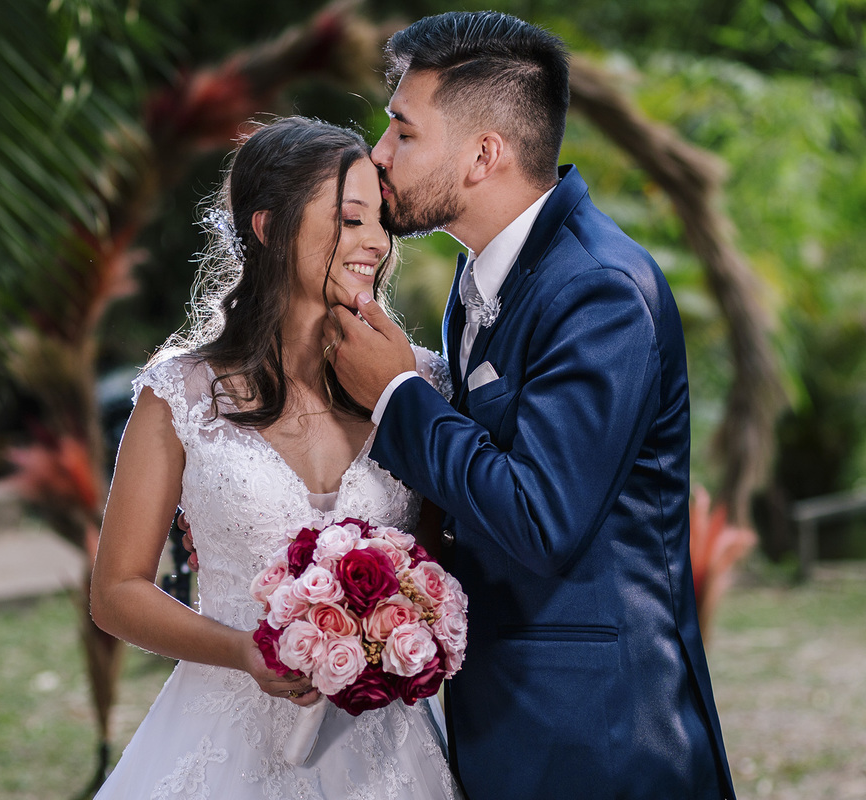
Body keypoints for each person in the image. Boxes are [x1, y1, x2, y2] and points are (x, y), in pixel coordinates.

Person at [325, 12, 737, 800]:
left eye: (403, 134)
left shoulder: (600, 291)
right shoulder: (483, 276)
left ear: (485, 154)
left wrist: (396, 393)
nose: (377, 156)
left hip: (599, 732)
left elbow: (540, 516)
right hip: (509, 718)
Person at [89, 116, 461, 799]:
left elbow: (438, 564)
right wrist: (244, 649)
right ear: (269, 228)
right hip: (222, 739)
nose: (375, 244)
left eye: (383, 221)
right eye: (350, 220)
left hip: (386, 749)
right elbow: (116, 593)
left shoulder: (423, 384)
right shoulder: (178, 393)